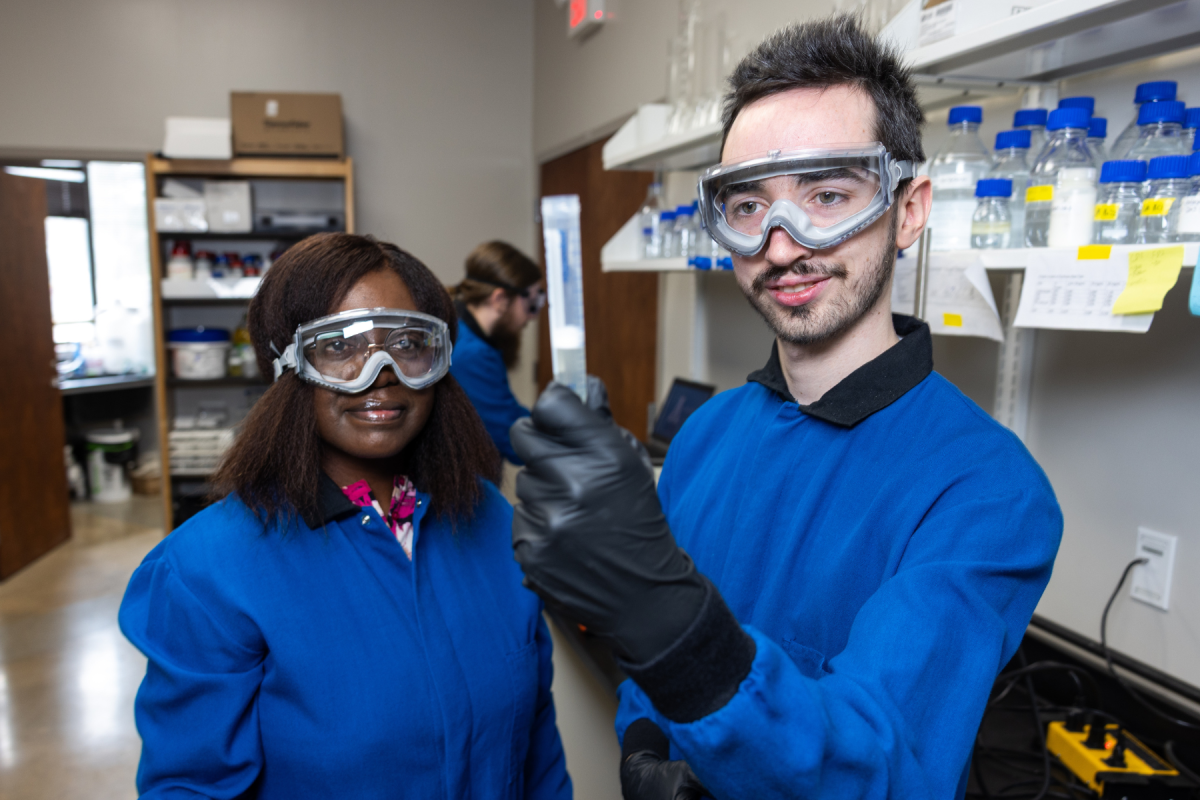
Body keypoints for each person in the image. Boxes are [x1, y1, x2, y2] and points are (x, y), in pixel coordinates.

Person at [507, 16, 1063, 800]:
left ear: (908, 209)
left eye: (827, 195)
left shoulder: (988, 490)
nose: (780, 242)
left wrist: (664, 617)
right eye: (748, 206)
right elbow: (645, 673)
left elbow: (889, 764)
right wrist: (640, 740)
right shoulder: (705, 435)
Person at [119, 234, 571, 800]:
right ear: (288, 363)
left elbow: (539, 756)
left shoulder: (490, 522)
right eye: (340, 346)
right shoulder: (208, 570)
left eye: (408, 343)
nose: (380, 372)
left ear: (439, 360)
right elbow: (189, 788)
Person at [450, 241, 546, 464]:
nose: (532, 316)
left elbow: (505, 410)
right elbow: (512, 437)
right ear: (500, 300)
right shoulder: (471, 355)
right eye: (531, 303)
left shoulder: (461, 327)